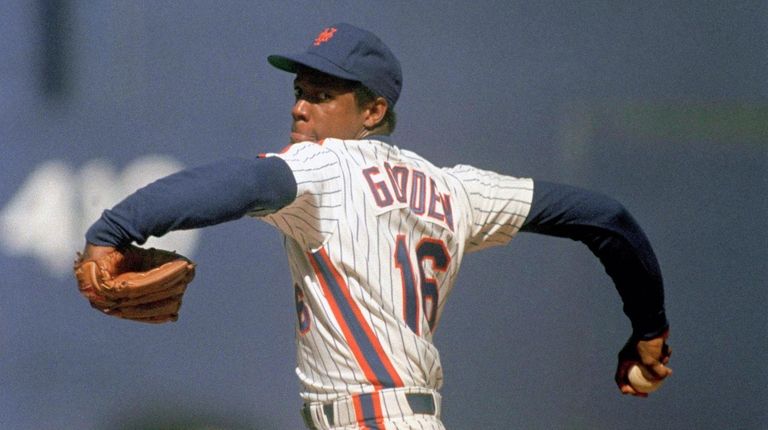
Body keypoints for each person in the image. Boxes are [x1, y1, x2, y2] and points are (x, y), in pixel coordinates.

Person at [77, 23, 672, 430]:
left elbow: (237, 185)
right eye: (299, 91)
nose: (300, 107)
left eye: (322, 94)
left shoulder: (322, 164)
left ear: (372, 111)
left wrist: (112, 229)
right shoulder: (455, 187)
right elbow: (607, 220)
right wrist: (650, 330)